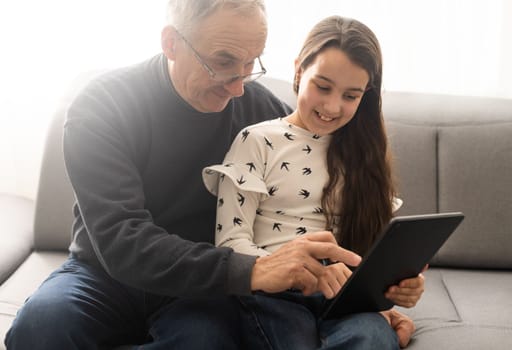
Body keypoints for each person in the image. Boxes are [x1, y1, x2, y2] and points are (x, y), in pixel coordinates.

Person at [4, 1, 420, 349]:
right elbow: (121, 238)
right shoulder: (101, 105)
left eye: (250, 64)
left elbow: (313, 212)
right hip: (104, 275)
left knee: (206, 341)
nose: (238, 87)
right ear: (171, 43)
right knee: (39, 330)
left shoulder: (260, 112)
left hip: (201, 291)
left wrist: (368, 298)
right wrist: (254, 271)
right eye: (222, 63)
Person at [203, 15, 424, 349]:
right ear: (298, 69)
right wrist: (289, 270)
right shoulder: (257, 141)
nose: (332, 106)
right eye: (322, 87)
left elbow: (367, 253)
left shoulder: (364, 155)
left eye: (351, 96)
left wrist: (399, 285)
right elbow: (231, 242)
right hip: (273, 294)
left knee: (373, 337)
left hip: (342, 298)